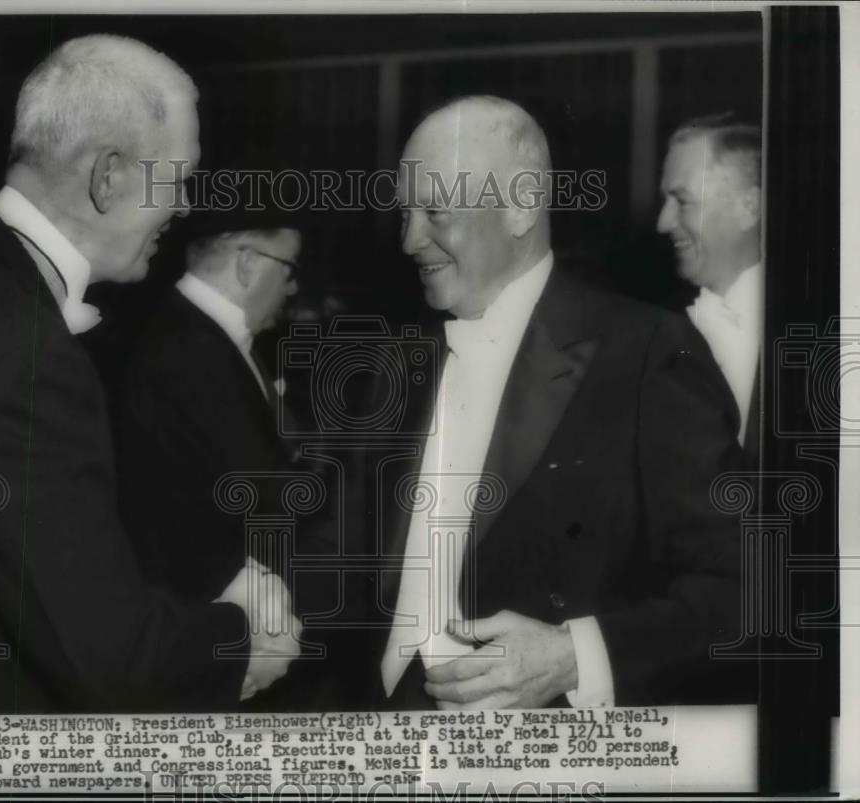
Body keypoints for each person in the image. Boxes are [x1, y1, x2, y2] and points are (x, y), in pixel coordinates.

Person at [0, 34, 299, 715]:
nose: (187, 206)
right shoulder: (24, 349)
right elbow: (108, 661)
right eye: (179, 178)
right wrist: (246, 638)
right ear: (108, 175)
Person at [375, 95, 746, 709]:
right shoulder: (394, 363)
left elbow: (745, 585)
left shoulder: (648, 350)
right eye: (404, 213)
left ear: (521, 205)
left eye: (435, 211)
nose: (411, 239)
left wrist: (575, 658)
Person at [116, 224, 301, 609]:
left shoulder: (206, 337)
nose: (293, 288)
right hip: (201, 615)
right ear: (248, 263)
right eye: (289, 269)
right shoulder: (185, 354)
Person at [657, 113, 763, 464]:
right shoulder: (656, 333)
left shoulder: (824, 326)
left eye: (682, 201)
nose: (663, 223)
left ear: (749, 207)